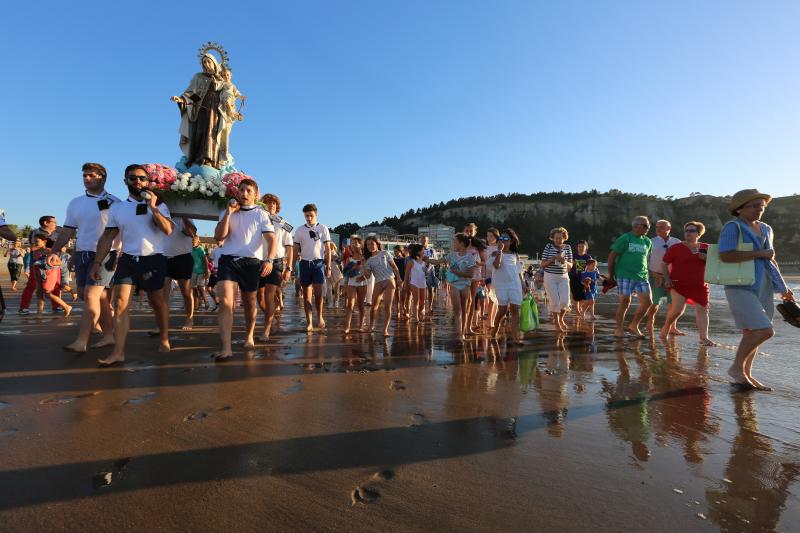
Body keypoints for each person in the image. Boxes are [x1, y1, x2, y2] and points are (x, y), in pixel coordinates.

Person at [91, 164, 174, 366]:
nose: (138, 181)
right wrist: (97, 262)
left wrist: (153, 209)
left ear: (148, 182)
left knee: (157, 302)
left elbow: (168, 230)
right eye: (133, 178)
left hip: (153, 259)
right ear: (125, 181)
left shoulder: (160, 205)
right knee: (119, 304)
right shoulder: (117, 208)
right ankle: (118, 351)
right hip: (127, 259)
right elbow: (108, 236)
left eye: (142, 178)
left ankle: (164, 337)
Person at [718, 190, 792, 391]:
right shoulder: (733, 227)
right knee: (764, 330)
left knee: (752, 332)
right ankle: (735, 368)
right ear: (741, 208)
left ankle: (745, 374)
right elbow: (725, 255)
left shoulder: (767, 228)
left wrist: (783, 288)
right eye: (755, 205)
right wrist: (759, 252)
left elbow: (771, 259)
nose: (760, 209)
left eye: (762, 206)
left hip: (764, 285)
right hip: (739, 285)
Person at [50, 163, 121, 352]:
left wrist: (118, 254)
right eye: (84, 176)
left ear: (103, 178)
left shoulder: (115, 202)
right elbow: (67, 231)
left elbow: (121, 232)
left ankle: (81, 341)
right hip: (82, 254)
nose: (87, 179)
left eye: (91, 175)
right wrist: (55, 252)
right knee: (95, 297)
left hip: (105, 255)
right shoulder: (75, 202)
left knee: (92, 296)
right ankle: (108, 336)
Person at [213, 179, 276, 360]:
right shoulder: (227, 212)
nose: (244, 193)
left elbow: (271, 239)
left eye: (248, 190)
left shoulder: (261, 214)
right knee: (225, 302)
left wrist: (269, 260)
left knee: (250, 302)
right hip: (229, 260)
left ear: (256, 194)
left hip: (251, 262)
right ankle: (226, 348)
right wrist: (228, 213)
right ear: (237, 193)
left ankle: (249, 336)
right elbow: (219, 236)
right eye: (241, 190)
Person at [660, 221, 716, 346]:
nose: (688, 233)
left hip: (700, 285)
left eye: (692, 231)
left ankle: (704, 337)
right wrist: (667, 279)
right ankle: (667, 326)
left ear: (698, 234)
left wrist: (707, 259)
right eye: (686, 231)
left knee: (703, 309)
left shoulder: (706, 248)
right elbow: (664, 263)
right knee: (677, 310)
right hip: (679, 284)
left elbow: (716, 265)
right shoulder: (676, 247)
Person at [608, 216, 653, 338]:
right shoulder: (625, 238)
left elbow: (645, 259)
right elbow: (612, 256)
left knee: (648, 302)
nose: (647, 228)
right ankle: (618, 329)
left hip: (642, 276)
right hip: (624, 274)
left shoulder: (647, 241)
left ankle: (634, 325)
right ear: (635, 226)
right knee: (625, 301)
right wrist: (611, 276)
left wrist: (651, 274)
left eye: (648, 226)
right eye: (645, 225)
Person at [426, 234, 477, 340]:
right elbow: (436, 262)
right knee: (457, 311)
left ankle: (463, 332)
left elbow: (470, 275)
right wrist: (425, 259)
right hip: (454, 285)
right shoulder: (452, 255)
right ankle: (460, 336)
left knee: (464, 311)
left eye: (455, 241)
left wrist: (456, 272)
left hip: (465, 286)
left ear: (461, 243)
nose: (454, 243)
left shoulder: (470, 257)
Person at [257, 193, 294, 341]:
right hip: (258, 261)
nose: (271, 205)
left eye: (273, 203)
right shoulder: (258, 219)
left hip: (276, 261)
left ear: (277, 206)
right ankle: (270, 318)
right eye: (267, 203)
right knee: (260, 298)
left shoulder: (283, 223)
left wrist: (289, 268)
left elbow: (290, 247)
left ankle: (266, 330)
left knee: (269, 295)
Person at [293, 203, 331, 333]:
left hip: (318, 264)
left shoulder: (323, 228)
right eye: (306, 216)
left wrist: (329, 266)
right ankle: (309, 322)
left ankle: (319, 317)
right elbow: (295, 249)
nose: (308, 218)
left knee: (319, 295)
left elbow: (328, 249)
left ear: (316, 214)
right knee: (307, 295)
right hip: (304, 264)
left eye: (311, 216)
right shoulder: (299, 230)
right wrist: (292, 265)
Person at [489, 229, 526, 344]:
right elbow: (496, 265)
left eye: (506, 239)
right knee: (502, 311)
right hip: (501, 285)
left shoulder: (515, 254)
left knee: (515, 309)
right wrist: (499, 251)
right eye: (501, 239)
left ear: (511, 241)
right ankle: (495, 328)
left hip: (514, 284)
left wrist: (523, 283)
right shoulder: (495, 253)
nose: (503, 241)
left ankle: (516, 337)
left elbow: (519, 271)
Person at [645, 220, 681, 334]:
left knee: (673, 303)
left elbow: (681, 260)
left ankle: (672, 327)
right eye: (657, 227)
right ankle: (651, 321)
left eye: (661, 227)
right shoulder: (651, 242)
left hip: (673, 277)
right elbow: (645, 260)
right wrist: (651, 273)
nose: (658, 229)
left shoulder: (677, 242)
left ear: (668, 229)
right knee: (654, 303)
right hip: (655, 276)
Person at [19, 215, 61, 314]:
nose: (56, 224)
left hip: (54, 264)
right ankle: (24, 307)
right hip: (37, 263)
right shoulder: (35, 233)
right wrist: (47, 249)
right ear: (46, 223)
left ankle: (56, 306)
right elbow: (32, 247)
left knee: (56, 285)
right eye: (54, 222)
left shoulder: (58, 232)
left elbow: (61, 246)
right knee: (32, 285)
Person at [363, 236, 403, 336]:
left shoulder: (385, 253)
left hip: (390, 281)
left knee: (387, 306)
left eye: (372, 243)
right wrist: (364, 266)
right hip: (378, 282)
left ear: (377, 244)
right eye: (368, 244)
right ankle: (371, 326)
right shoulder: (368, 261)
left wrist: (398, 278)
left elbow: (394, 267)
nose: (370, 246)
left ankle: (385, 329)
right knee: (373, 306)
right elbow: (367, 276)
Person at [163, 217, 197, 330]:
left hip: (183, 258)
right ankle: (162, 323)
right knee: (163, 294)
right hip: (165, 258)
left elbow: (192, 233)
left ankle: (190, 318)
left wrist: (184, 216)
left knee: (186, 293)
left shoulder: (185, 216)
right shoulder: (162, 211)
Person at [28, 234, 73, 316]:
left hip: (49, 273)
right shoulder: (35, 252)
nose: (35, 243)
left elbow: (59, 262)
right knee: (39, 292)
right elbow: (34, 264)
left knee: (47, 293)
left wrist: (47, 263)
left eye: (37, 241)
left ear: (44, 241)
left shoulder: (50, 251)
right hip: (38, 273)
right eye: (34, 241)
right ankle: (39, 313)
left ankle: (66, 306)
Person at [541, 227, 573, 332]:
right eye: (556, 238)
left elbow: (571, 265)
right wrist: (552, 259)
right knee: (554, 301)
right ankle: (557, 323)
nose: (558, 240)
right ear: (553, 238)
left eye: (560, 238)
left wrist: (565, 261)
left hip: (563, 276)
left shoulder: (567, 247)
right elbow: (543, 265)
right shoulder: (548, 247)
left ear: (564, 238)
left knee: (565, 301)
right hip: (550, 276)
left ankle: (561, 319)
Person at [342, 235, 369, 335]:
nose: (353, 245)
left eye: (355, 243)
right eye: (352, 243)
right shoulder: (349, 258)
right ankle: (347, 327)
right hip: (351, 282)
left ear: (360, 244)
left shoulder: (365, 258)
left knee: (361, 305)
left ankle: (361, 325)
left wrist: (364, 277)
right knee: (350, 305)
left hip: (363, 283)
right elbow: (345, 272)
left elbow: (369, 272)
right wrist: (354, 268)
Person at [403, 243, 428, 323]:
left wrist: (427, 271)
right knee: (416, 301)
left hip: (423, 282)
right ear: (418, 251)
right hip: (414, 282)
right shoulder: (411, 261)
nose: (424, 252)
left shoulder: (424, 261)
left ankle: (420, 314)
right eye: (422, 250)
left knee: (422, 301)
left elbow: (425, 273)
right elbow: (406, 274)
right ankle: (416, 318)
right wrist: (405, 285)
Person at [569, 240, 592, 318]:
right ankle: (578, 310)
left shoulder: (588, 257)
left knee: (585, 296)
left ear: (586, 248)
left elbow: (593, 266)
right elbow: (567, 265)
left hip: (585, 279)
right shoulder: (573, 255)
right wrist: (573, 263)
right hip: (574, 277)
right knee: (575, 295)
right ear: (577, 247)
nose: (581, 248)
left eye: (582, 246)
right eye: (579, 246)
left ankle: (580, 307)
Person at [190, 236, 210, 310]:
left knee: (200, 286)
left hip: (201, 271)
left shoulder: (201, 249)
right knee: (194, 289)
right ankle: (196, 305)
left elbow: (205, 261)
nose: (192, 243)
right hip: (193, 271)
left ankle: (206, 302)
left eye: (194, 242)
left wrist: (206, 271)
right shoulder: (191, 249)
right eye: (192, 242)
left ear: (198, 242)